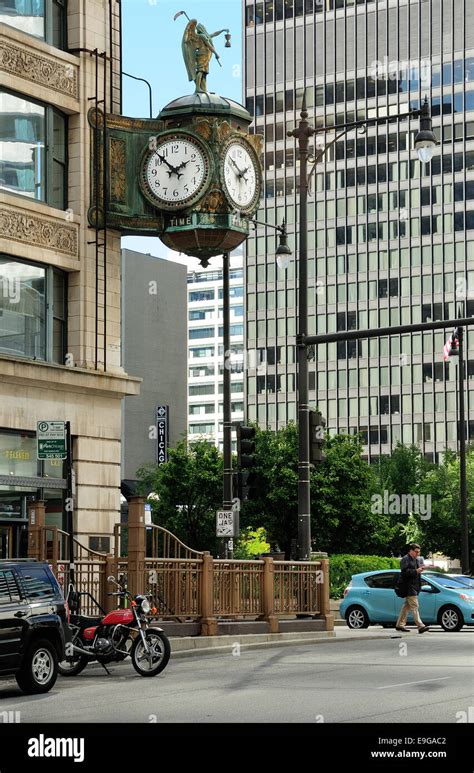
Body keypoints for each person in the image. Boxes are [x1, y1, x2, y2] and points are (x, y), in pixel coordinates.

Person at [395, 543, 430, 633]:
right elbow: (404, 572)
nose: (417, 553)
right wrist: (416, 571)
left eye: (419, 552)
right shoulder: (405, 559)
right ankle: (420, 626)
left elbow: (416, 573)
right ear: (411, 550)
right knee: (415, 605)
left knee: (406, 606)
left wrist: (421, 569)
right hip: (408, 586)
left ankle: (399, 625)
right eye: (416, 551)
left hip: (414, 586)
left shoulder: (417, 560)